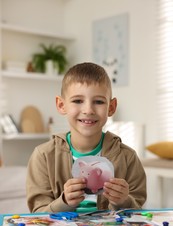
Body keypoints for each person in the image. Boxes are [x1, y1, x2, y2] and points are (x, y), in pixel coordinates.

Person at [26, 62, 146, 213]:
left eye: (99, 102)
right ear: (61, 105)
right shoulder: (43, 156)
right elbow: (37, 214)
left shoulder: (127, 157)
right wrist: (64, 202)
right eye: (77, 101)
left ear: (111, 107)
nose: (88, 110)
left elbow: (138, 211)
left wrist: (124, 201)